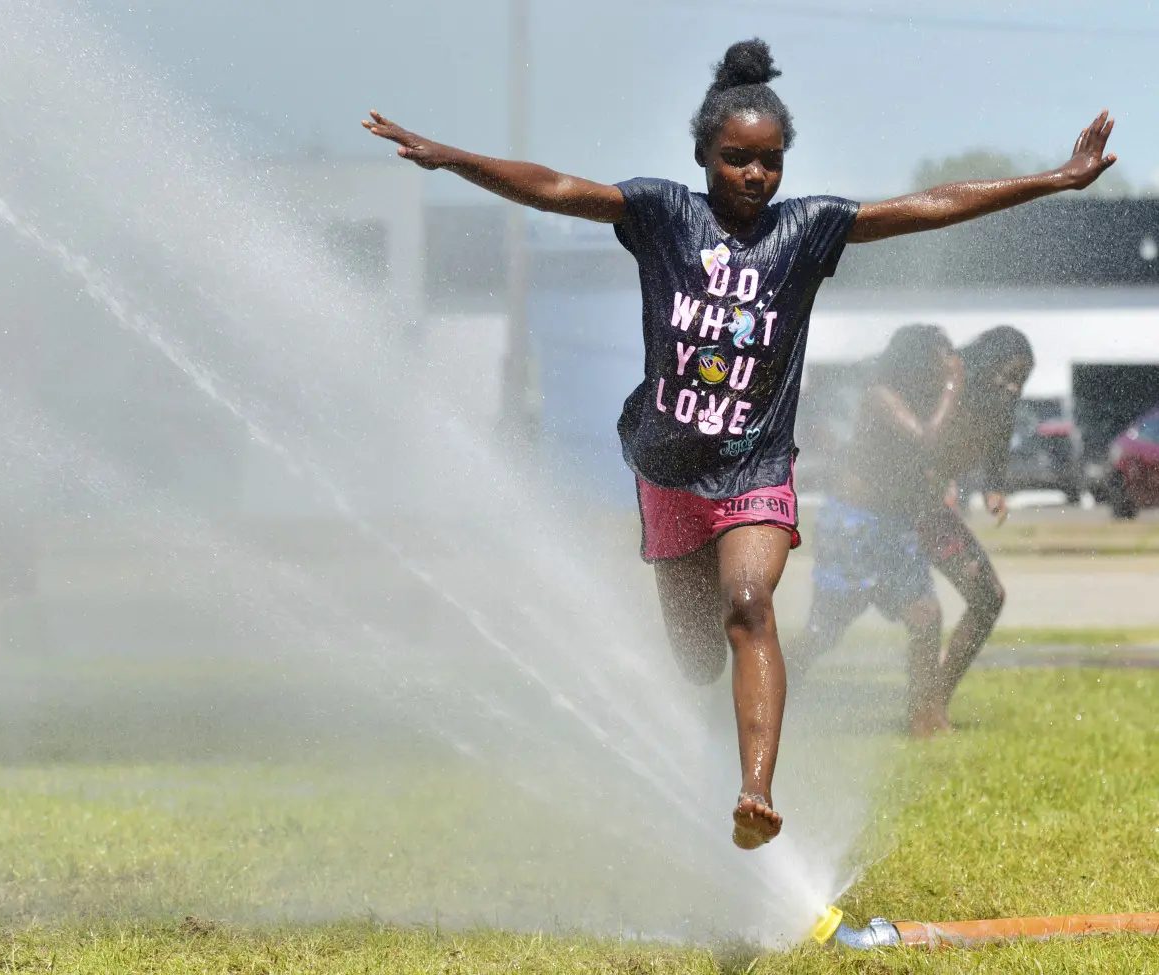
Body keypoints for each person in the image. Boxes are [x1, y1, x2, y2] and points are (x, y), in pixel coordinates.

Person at [363, 38, 1117, 849]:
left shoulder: (808, 231)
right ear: (703, 156)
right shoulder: (661, 214)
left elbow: (928, 204)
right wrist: (449, 159)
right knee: (696, 660)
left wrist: (1053, 179)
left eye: (770, 161)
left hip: (755, 467)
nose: (755, 176)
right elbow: (557, 189)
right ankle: (711, 739)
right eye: (736, 160)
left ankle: (755, 791)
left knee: (750, 605)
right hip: (668, 471)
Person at [793, 326, 964, 737]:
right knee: (825, 630)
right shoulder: (882, 397)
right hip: (857, 527)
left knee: (926, 616)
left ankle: (923, 717)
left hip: (894, 529)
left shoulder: (922, 401)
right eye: (941, 362)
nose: (948, 370)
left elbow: (930, 453)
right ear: (917, 362)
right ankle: (767, 690)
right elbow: (925, 440)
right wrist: (953, 389)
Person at [919, 326, 1035, 725]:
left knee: (988, 596)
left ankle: (933, 703)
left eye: (1023, 380)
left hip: (930, 512)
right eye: (1011, 375)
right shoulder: (947, 386)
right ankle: (782, 693)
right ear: (986, 365)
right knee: (829, 624)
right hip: (894, 511)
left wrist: (994, 489)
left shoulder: (998, 405)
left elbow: (999, 443)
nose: (1016, 388)